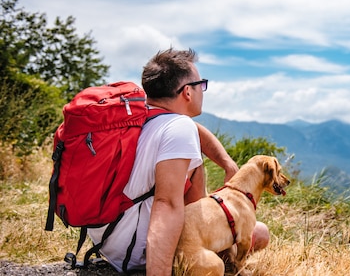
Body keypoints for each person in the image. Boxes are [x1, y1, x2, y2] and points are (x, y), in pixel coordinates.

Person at [87, 48, 269, 275]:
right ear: (187, 92)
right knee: (258, 233)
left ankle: (210, 249)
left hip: (110, 241)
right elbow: (167, 204)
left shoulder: (138, 115)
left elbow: (194, 129)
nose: (203, 91)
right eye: (200, 84)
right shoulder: (178, 128)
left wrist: (228, 164)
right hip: (139, 251)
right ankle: (202, 254)